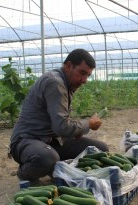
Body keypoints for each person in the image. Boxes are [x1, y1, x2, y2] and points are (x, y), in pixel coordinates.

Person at [9, 49, 109, 186]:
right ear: (68, 66)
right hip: (28, 141)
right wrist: (88, 124)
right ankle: (26, 174)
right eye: (82, 73)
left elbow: (61, 123)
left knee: (100, 149)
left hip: (52, 142)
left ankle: (54, 169)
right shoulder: (54, 82)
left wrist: (76, 132)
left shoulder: (67, 84)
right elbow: (62, 127)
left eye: (88, 75)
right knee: (47, 158)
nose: (85, 80)